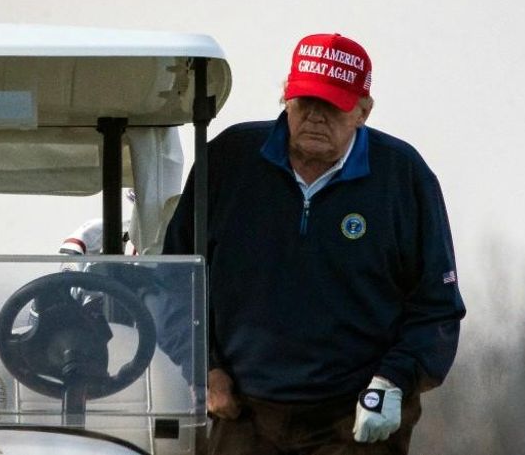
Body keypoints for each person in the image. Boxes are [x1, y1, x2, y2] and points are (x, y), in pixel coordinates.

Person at [162, 33, 466, 454]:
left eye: (332, 106)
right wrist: (204, 369)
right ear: (286, 97)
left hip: (356, 416)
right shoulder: (229, 161)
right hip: (242, 411)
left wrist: (394, 381)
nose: (315, 118)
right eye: (305, 103)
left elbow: (437, 306)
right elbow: (170, 283)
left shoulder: (404, 177)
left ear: (363, 111)